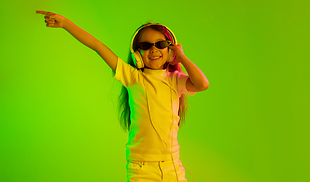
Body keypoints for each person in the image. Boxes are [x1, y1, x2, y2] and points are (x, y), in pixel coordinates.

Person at [36, 11, 209, 182]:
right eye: (146, 46)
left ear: (170, 50)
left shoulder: (175, 81)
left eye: (160, 44)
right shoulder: (132, 77)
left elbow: (202, 84)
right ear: (137, 54)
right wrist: (66, 24)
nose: (153, 49)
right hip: (142, 168)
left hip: (172, 166)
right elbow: (97, 46)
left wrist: (181, 58)